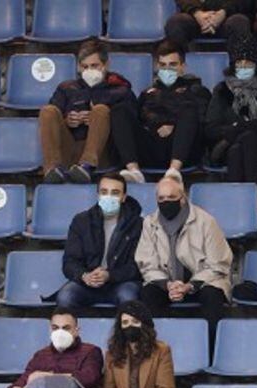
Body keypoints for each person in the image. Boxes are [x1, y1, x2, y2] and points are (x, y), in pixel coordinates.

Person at [135, 177, 232, 350]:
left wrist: (189, 286)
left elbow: (218, 264)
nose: (166, 202)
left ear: (183, 198)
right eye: (161, 198)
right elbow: (147, 263)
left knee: (212, 296)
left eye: (171, 197)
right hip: (167, 283)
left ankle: (209, 351)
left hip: (202, 282)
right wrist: (167, 285)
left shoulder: (206, 221)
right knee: (148, 294)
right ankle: (156, 351)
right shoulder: (150, 223)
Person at [111, 41, 211, 185]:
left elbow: (201, 122)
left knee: (189, 109)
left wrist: (173, 126)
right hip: (152, 146)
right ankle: (134, 171)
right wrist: (154, 127)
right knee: (120, 110)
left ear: (183, 67)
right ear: (157, 67)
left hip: (184, 150)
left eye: (173, 65)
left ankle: (174, 171)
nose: (167, 69)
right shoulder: (147, 93)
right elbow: (138, 121)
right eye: (163, 65)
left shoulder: (197, 91)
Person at [39, 40, 136, 184]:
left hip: (103, 153)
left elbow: (130, 123)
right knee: (48, 111)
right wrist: (67, 121)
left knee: (100, 110)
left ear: (106, 65)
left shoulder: (120, 90)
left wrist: (98, 120)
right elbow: (52, 120)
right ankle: (52, 169)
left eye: (94, 66)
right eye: (85, 66)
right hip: (70, 147)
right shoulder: (66, 88)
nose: (89, 70)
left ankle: (87, 166)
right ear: (79, 67)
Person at [53, 173, 144, 309]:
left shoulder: (138, 224)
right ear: (98, 195)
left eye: (115, 193)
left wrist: (109, 275)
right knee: (65, 297)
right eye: (104, 192)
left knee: (128, 297)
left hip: (122, 283)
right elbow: (70, 262)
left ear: (124, 197)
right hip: (87, 283)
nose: (109, 197)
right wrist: (84, 276)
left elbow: (138, 266)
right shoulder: (81, 221)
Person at [205, 32, 257, 184]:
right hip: (225, 145)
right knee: (239, 145)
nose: (242, 67)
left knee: (244, 142)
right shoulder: (222, 90)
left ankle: (237, 194)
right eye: (239, 63)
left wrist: (249, 133)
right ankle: (255, 190)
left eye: (248, 64)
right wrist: (239, 129)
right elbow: (211, 129)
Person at [166, 1, 255, 51]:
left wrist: (224, 12)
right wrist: (197, 13)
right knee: (176, 24)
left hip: (229, 15)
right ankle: (178, 68)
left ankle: (240, 69)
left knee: (239, 22)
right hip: (196, 16)